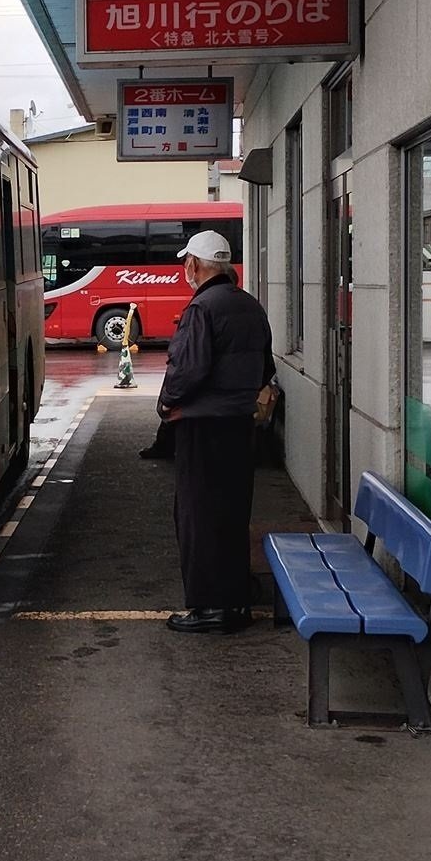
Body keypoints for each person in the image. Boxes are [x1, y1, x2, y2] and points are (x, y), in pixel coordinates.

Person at [156, 229, 274, 634]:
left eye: (184, 263)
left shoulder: (201, 309)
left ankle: (211, 608)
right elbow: (267, 368)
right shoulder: (250, 307)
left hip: (202, 428)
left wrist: (166, 402)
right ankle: (236, 599)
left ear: (193, 265)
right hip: (240, 426)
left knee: (198, 516)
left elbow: (187, 370)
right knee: (231, 513)